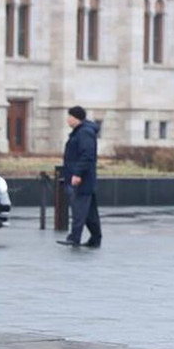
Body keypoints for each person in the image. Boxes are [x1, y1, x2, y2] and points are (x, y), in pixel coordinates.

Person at [57, 106, 102, 248]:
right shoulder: (81, 132)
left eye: (70, 116)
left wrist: (77, 174)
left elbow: (87, 155)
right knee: (89, 213)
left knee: (79, 210)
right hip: (83, 178)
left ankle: (74, 238)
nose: (67, 120)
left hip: (82, 179)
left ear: (76, 118)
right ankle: (95, 238)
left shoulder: (84, 133)